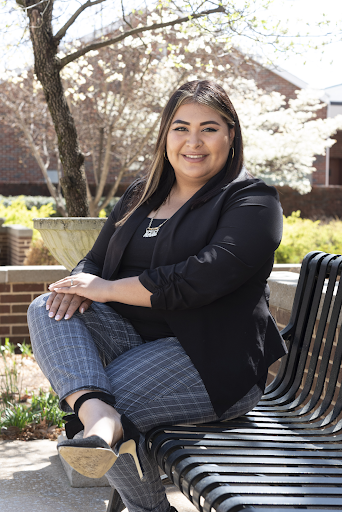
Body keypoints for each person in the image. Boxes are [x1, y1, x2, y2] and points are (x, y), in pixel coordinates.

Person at [27, 80, 287, 512]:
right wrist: (76, 286)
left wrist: (107, 289)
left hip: (212, 359)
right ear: (165, 135)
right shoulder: (141, 194)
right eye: (180, 128)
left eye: (209, 128)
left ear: (231, 135)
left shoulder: (253, 202)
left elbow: (198, 278)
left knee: (104, 403)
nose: (193, 142)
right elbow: (93, 260)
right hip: (135, 341)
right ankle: (102, 417)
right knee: (47, 309)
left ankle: (141, 494)